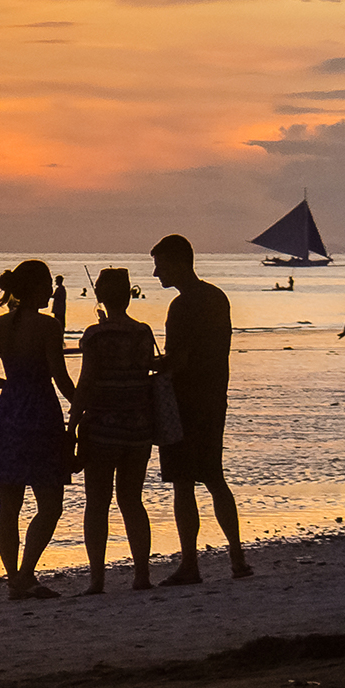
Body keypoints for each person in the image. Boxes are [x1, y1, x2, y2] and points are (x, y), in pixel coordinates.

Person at [0, 260, 77, 600]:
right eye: (47, 284)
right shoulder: (49, 326)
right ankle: (25, 573)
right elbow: (59, 376)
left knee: (9, 505)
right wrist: (85, 404)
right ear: (35, 288)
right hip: (41, 413)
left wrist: (11, 386)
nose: (50, 290)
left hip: (8, 413)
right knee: (49, 503)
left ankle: (13, 577)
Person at [151, 233, 250, 585]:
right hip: (213, 398)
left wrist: (149, 365)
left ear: (178, 264)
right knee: (214, 477)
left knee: (182, 483)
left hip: (184, 402)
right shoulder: (217, 297)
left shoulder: (181, 306)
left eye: (160, 266)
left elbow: (180, 360)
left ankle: (190, 564)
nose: (155, 274)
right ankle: (237, 557)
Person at [71, 268, 156, 594]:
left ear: (101, 296)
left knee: (97, 503)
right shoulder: (143, 331)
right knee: (132, 501)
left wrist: (73, 420)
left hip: (102, 428)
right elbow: (148, 369)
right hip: (138, 428)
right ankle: (142, 574)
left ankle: (97, 579)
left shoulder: (95, 335)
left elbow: (87, 379)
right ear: (130, 295)